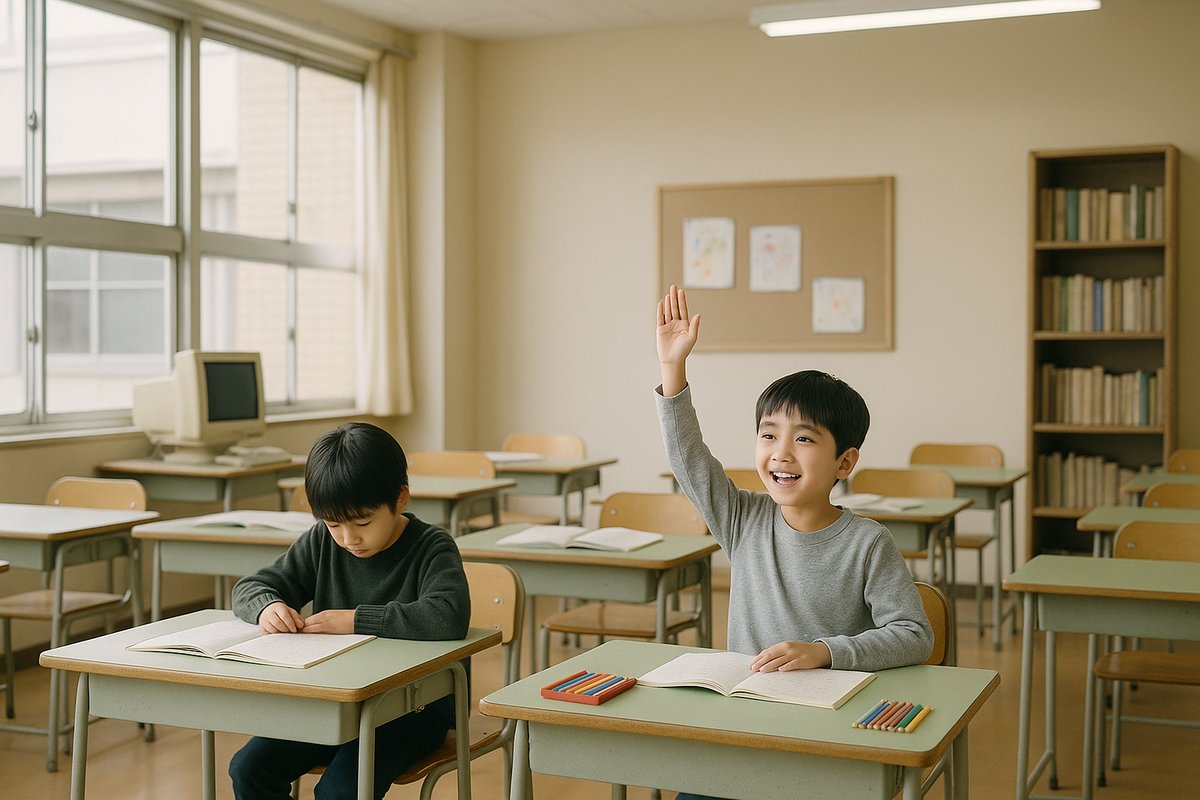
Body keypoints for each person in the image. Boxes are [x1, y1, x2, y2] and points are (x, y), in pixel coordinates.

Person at [656, 285, 933, 800]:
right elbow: (689, 461)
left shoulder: (869, 543)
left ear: (844, 463)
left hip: (831, 729)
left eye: (804, 438)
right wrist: (674, 372)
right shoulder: (743, 519)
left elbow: (915, 634)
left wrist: (825, 652)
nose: (781, 453)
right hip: (745, 722)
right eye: (768, 435)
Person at [228, 422, 470, 800]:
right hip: (336, 703)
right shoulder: (323, 543)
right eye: (334, 524)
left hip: (413, 708)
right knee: (248, 769)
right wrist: (267, 606)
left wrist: (356, 620)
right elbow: (250, 587)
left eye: (362, 522)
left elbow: (449, 614)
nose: (348, 538)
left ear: (401, 499)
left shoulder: (431, 546)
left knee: (340, 791)